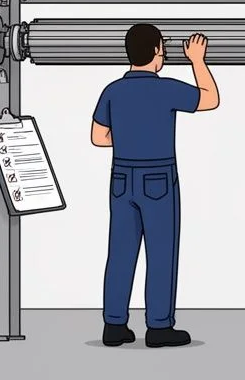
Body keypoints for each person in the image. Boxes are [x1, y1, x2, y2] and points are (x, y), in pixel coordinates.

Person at [90, 24, 219, 348]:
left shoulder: (112, 90)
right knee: (161, 252)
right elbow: (210, 99)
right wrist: (198, 61)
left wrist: (130, 138)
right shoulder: (166, 89)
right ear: (157, 51)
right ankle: (159, 327)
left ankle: (114, 325)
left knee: (120, 252)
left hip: (121, 179)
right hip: (158, 179)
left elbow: (98, 137)